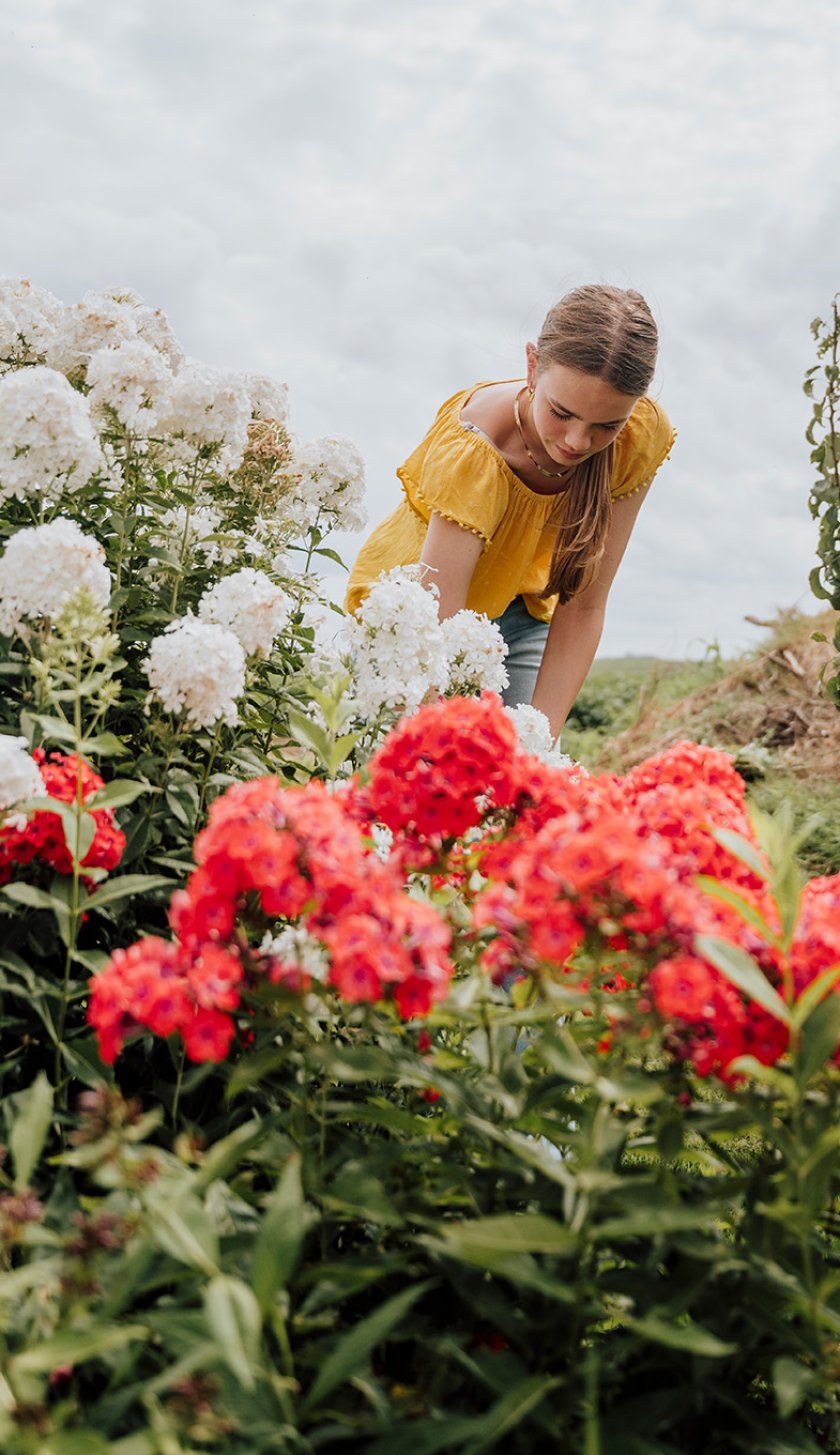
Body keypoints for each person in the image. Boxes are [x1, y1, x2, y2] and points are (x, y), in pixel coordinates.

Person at [345, 284, 675, 740]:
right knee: (416, 769)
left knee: (523, 779)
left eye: (606, 426)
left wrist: (541, 746)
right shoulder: (479, 445)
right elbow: (439, 617)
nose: (577, 442)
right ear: (533, 367)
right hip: (414, 618)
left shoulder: (640, 438)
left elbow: (583, 607)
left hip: (518, 615)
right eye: (562, 413)